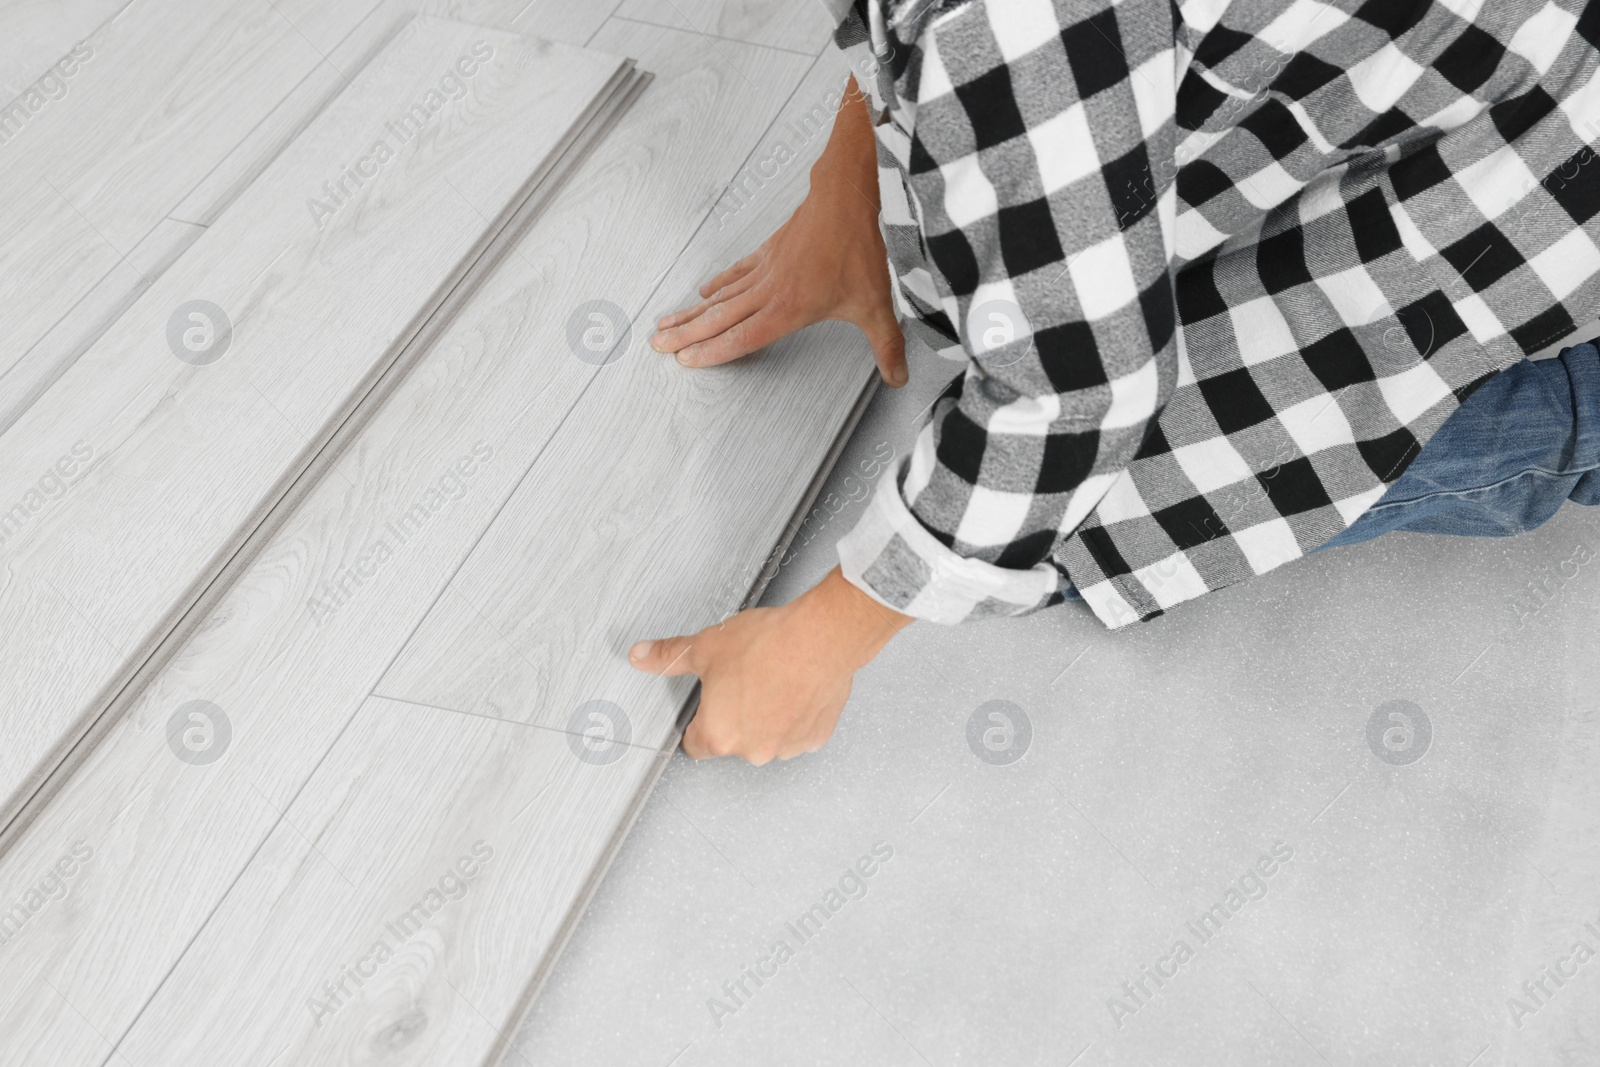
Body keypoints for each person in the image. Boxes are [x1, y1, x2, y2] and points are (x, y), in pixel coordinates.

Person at [629, 0, 1600, 764]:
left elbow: (1078, 398)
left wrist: (817, 642)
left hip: (1551, 147)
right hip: (1454, 54)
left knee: (1116, 507)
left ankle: (1580, 416)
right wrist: (840, 187)